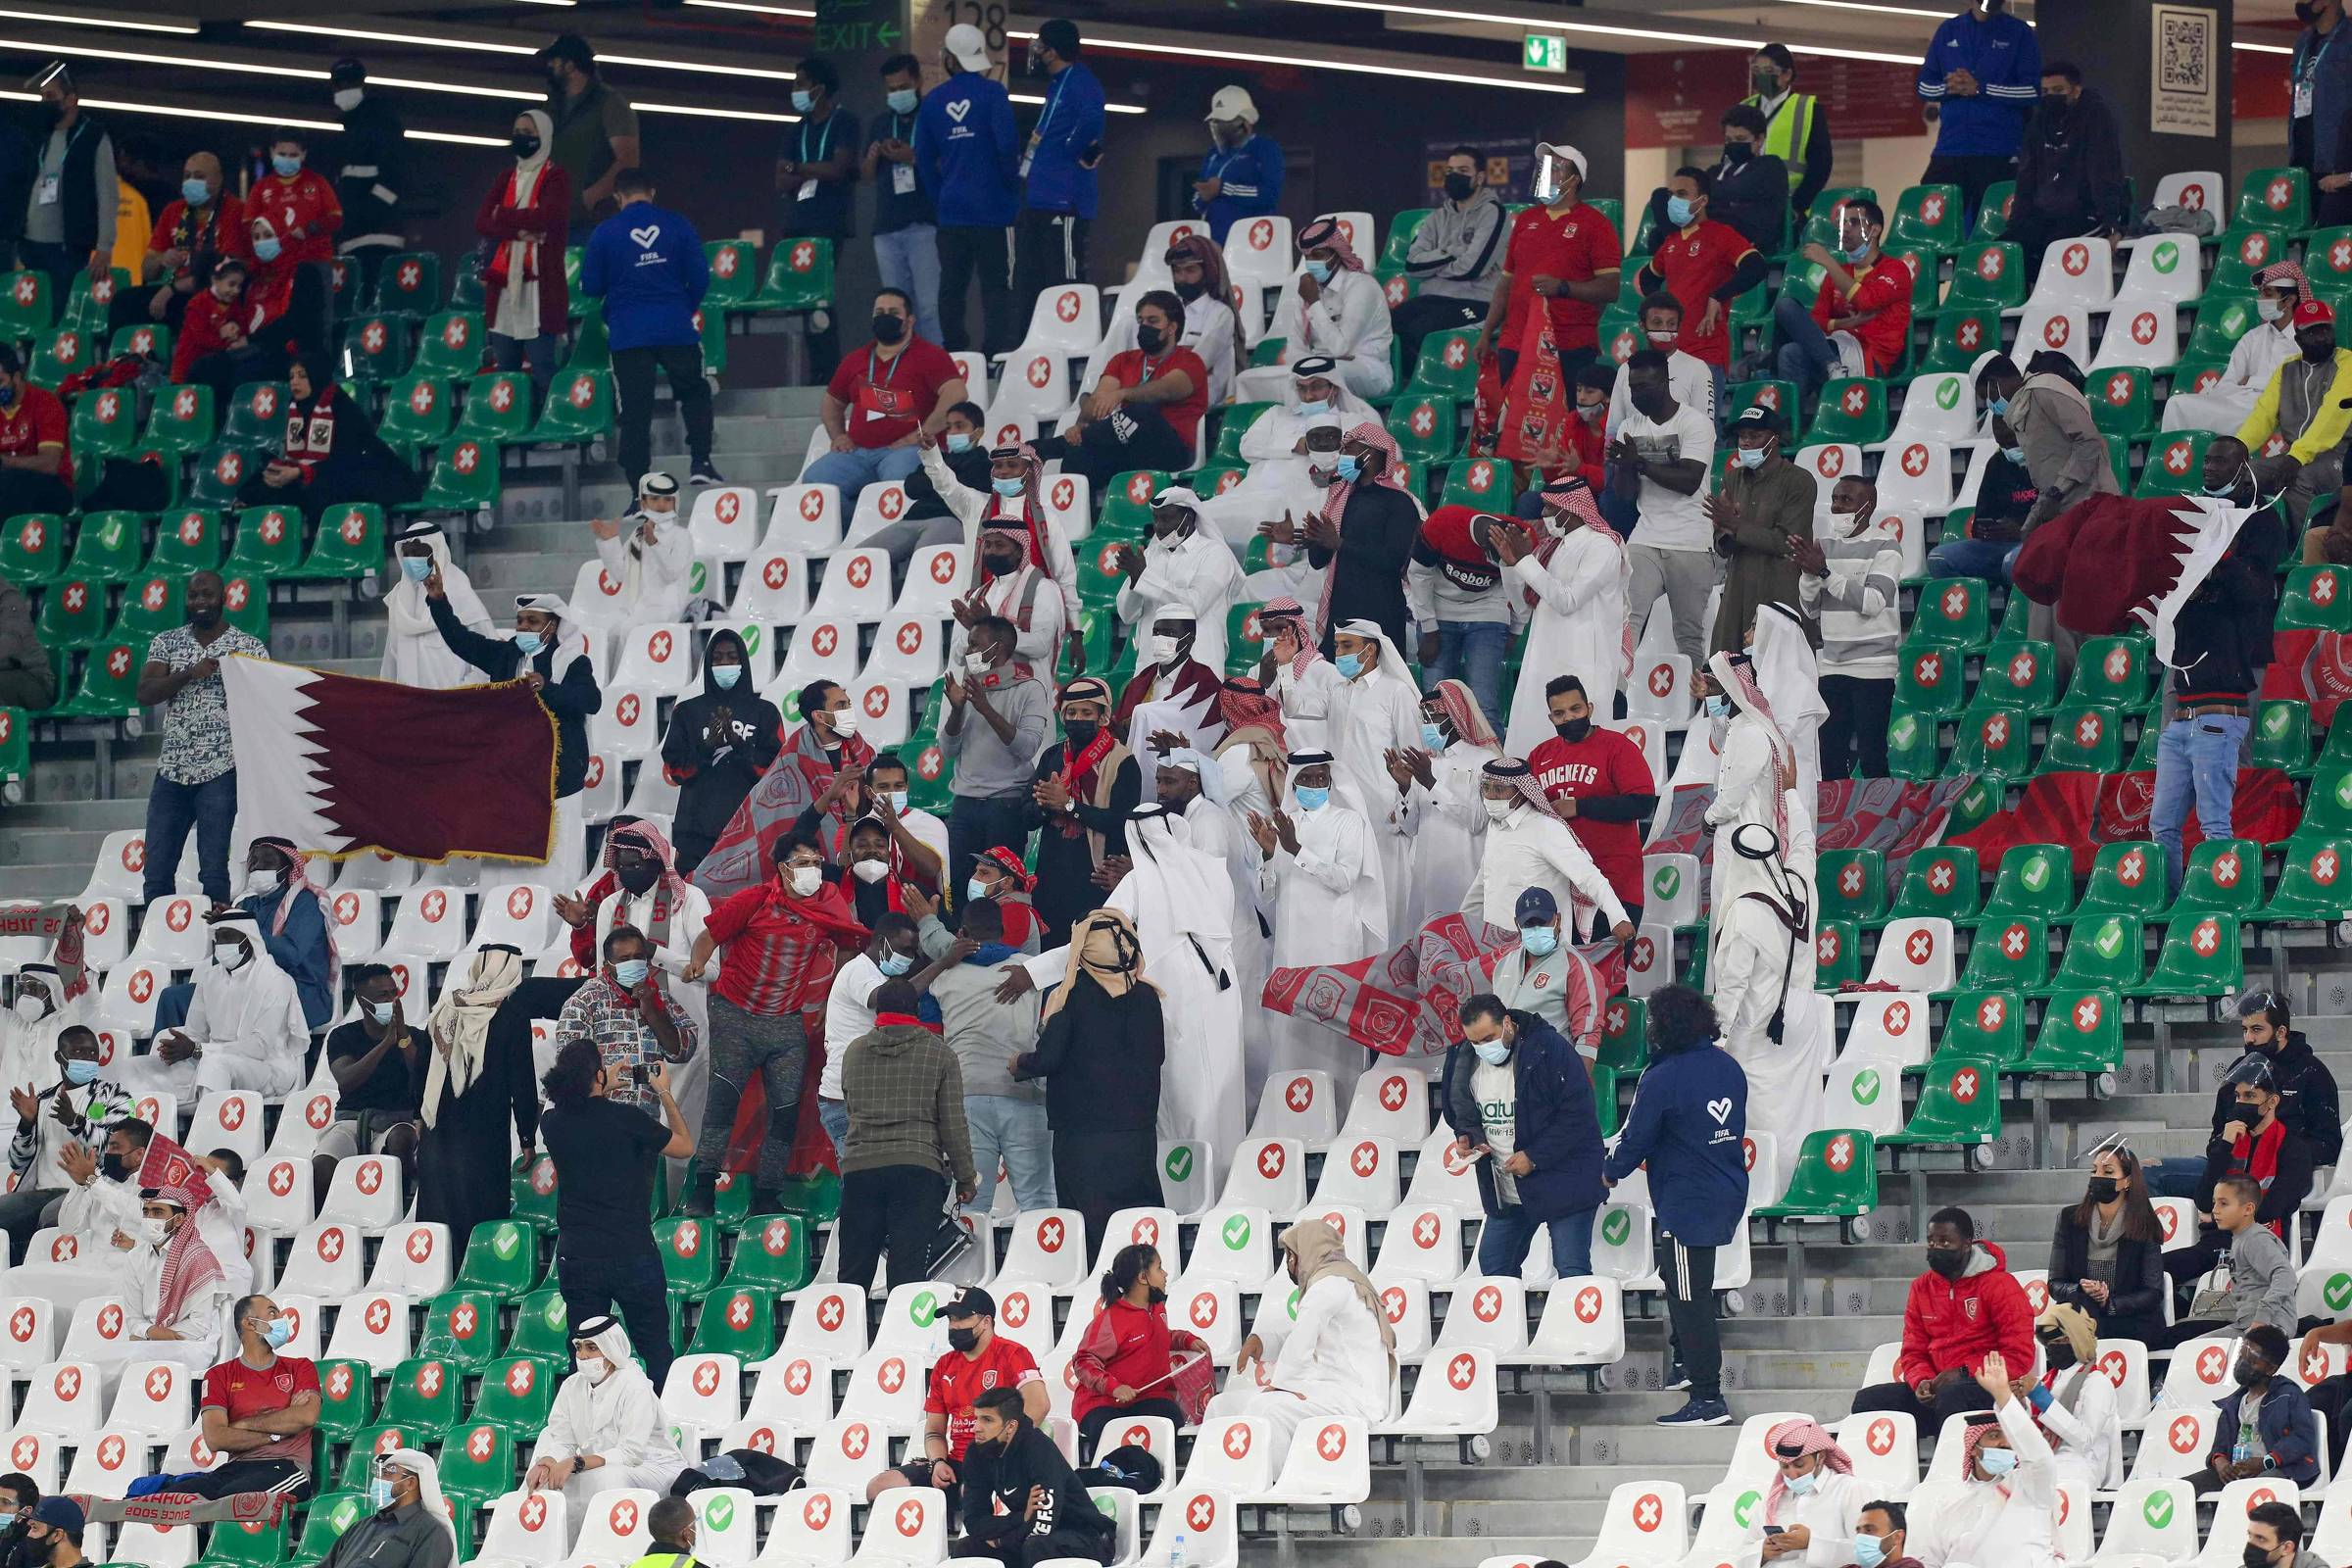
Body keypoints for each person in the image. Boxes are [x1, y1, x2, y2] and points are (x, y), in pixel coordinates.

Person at [678, 830, 862, 1215]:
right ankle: (703, 1190)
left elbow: (849, 942)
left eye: (816, 862)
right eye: (803, 863)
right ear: (783, 869)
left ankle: (767, 1195)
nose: (813, 870)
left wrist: (834, 991)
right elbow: (709, 936)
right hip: (735, 1016)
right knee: (722, 1103)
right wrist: (698, 962)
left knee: (786, 1111)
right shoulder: (755, 900)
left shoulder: (828, 903)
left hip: (785, 1024)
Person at [1605, 983, 1749, 1425]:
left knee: (1690, 1296)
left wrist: (1611, 1170)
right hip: (1726, 1190)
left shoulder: (1665, 1077)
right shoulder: (1728, 1067)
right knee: (1677, 1276)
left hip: (1688, 1201)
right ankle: (1686, 1361)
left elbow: (1639, 1136)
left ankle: (1708, 1398)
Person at [2149, 440, 2285, 894]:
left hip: (2241, 655)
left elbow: (2256, 590)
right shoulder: (2196, 515)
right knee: (2176, 748)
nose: (2207, 465)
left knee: (2231, 770)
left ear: (2244, 468)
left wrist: (2217, 557)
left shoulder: (2262, 519)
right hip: (2187, 658)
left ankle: (2234, 877)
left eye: (2219, 459)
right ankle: (2176, 893)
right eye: (2205, 459)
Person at [1010, 908, 1169, 1255]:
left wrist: (1020, 1063)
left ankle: (1102, 1301)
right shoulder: (1147, 997)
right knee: (1140, 1222)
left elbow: (1049, 1058)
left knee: (1091, 1229)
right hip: (1138, 1133)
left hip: (1083, 1136)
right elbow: (1156, 1055)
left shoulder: (1073, 996)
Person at [538, 1038, 693, 1393]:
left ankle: (588, 1428)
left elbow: (553, 1102)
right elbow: (684, 1147)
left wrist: (597, 1080)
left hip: (578, 1255)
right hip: (631, 1249)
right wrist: (665, 1093)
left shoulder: (554, 1126)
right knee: (654, 1348)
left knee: (585, 1354)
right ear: (597, 1074)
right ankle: (661, 1423)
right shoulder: (627, 1119)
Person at [423, 583, 603, 889]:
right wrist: (439, 601)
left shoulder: (572, 662)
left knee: (555, 868)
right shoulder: (506, 657)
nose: (523, 628)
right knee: (505, 871)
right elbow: (462, 641)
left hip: (558, 781)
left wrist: (546, 687)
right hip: (512, 780)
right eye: (520, 621)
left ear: (553, 625)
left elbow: (591, 701)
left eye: (532, 622)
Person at [1446, 991, 1605, 1278]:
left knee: (1572, 1269)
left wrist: (1535, 1156)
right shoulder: (1464, 1059)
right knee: (1494, 1268)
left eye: (1488, 1038)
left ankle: (1574, 1326)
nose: (1483, 1047)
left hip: (1565, 1180)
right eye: (1475, 1041)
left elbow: (1579, 1115)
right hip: (1506, 1190)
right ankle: (1511, 1325)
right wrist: (1468, 1138)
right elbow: (1460, 1110)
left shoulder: (1550, 1049)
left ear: (1507, 1023)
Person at [1252, 751, 1387, 1078]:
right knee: (1292, 1031)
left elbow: (1344, 879)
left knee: (1334, 1030)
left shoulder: (1349, 821)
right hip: (1292, 946)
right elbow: (1264, 896)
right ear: (1293, 783)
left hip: (1335, 945)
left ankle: (1343, 1113)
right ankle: (1290, 1115)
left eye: (1321, 778)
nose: (1314, 784)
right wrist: (1269, 853)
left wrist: (1296, 849)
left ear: (1331, 780)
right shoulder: (1283, 824)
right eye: (1306, 779)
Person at [580, 168, 717, 490]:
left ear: (618, 197)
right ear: (652, 191)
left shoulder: (604, 232)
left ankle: (639, 487)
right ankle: (701, 462)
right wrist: (683, 306)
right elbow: (700, 276)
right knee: (695, 392)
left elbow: (590, 285)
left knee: (634, 411)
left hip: (628, 333)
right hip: (675, 327)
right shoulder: (678, 224)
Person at [836, 977, 977, 1289]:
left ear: (879, 1010)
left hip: (860, 1170)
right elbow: (952, 1124)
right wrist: (965, 1179)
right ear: (916, 1010)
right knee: (906, 1274)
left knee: (852, 1273)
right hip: (916, 1170)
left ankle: (845, 1335)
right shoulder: (940, 1054)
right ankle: (901, 1337)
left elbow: (850, 1108)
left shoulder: (854, 1052)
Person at [1849, 1206, 2034, 1429]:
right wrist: (1922, 1381)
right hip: (1939, 1388)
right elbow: (1913, 1350)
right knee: (1868, 1401)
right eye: (1931, 1242)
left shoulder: (2000, 1286)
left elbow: (2018, 1356)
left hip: (1989, 1387)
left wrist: (1965, 1372)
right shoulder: (1921, 1287)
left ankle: (1951, 1462)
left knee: (1953, 1395)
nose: (1936, 1248)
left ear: (1967, 1244)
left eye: (1945, 1242)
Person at [416, 948, 541, 1264]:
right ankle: (477, 1278)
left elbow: (422, 1071)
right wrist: (527, 1138)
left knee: (440, 1210)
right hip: (482, 1135)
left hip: (438, 1134)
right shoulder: (510, 1016)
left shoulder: (447, 1007)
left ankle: (439, 1280)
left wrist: (420, 1119)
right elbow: (522, 1081)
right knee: (480, 1213)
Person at [868, 1289, 1046, 1504]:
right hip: (957, 1463)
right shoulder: (944, 1365)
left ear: (986, 1322)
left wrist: (1002, 1449)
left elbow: (1039, 1405)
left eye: (962, 1318)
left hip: (999, 1460)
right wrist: (938, 1463)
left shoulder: (1013, 1354)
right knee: (880, 1487)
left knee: (972, 1495)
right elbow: (934, 1429)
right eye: (951, 1319)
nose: (954, 1326)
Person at [1231, 1221, 1394, 1450]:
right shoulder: (1341, 1279)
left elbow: (1301, 1343)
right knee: (1226, 1406)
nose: (1289, 1264)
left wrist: (1281, 1384)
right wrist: (1263, 1341)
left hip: (1352, 1397)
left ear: (1305, 1252)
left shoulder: (1328, 1286)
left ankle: (1274, 1482)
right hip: (1335, 1390)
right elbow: (1308, 1334)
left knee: (1265, 1410)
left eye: (1290, 1255)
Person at [1270, 420, 1420, 655]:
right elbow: (1319, 561)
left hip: (1381, 614)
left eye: (1349, 448)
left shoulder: (1399, 502)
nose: (1343, 454)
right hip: (1341, 613)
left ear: (1370, 454)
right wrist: (1313, 539)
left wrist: (1339, 543)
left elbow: (1392, 561)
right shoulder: (1342, 497)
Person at [1505, 478, 1633, 754]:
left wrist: (1524, 561)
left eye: (1550, 509)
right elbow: (1522, 605)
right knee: (1532, 738)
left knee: (1585, 748)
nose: (1544, 515)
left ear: (1571, 509)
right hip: (1543, 657)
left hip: (1584, 659)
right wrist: (1509, 563)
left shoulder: (1602, 547)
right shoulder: (1554, 548)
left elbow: (1568, 601)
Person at [1475, 140, 1620, 382]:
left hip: (1569, 342)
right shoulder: (1525, 219)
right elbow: (1506, 283)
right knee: (1513, 418)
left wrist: (1563, 287)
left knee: (1566, 417)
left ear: (1574, 181)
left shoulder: (1596, 224)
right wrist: (1486, 333)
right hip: (1516, 340)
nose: (1545, 172)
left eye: (1554, 168)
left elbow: (1611, 287)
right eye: (1543, 166)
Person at [806, 287, 966, 504]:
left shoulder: (930, 355)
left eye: (893, 312)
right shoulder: (855, 359)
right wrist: (838, 436)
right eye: (879, 313)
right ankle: (853, 529)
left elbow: (956, 393)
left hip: (910, 450)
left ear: (910, 321)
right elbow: (832, 401)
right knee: (815, 481)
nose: (885, 317)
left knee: (896, 483)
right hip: (858, 453)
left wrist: (923, 433)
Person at [931, 441, 1079, 674]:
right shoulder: (976, 507)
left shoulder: (1046, 518)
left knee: (1025, 683)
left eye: (1012, 465)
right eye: (998, 466)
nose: (1004, 472)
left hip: (1029, 613)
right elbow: (945, 485)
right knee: (973, 683)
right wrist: (931, 453)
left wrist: (1077, 631)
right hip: (978, 604)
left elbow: (1064, 575)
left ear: (1029, 470)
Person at [127, 910, 308, 1099]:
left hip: (266, 1068)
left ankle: (210, 1127)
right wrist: (182, 1048)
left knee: (215, 1066)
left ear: (248, 940)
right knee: (133, 1069)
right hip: (208, 1058)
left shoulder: (275, 980)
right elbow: (195, 1034)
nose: (221, 945)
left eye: (228, 937)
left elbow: (260, 1047)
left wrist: (198, 1050)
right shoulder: (209, 978)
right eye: (218, 939)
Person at [1036, 292, 1209, 487]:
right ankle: (1087, 514)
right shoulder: (1123, 360)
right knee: (1078, 453)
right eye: (1141, 321)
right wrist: (1081, 425)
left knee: (1141, 411)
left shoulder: (1190, 361)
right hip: (1129, 448)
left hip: (1174, 450)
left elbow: (1166, 389)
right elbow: (1098, 400)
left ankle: (1050, 447)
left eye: (1153, 321)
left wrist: (1123, 393)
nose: (1145, 326)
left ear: (1172, 327)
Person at [523, 1313, 687, 1518]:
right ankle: (564, 1549)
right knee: (545, 1479)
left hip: (653, 1467)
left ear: (611, 1350)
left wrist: (576, 1463)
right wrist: (547, 1461)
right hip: (596, 1464)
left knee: (607, 1478)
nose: (582, 1355)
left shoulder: (635, 1386)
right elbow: (563, 1440)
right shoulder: (571, 1386)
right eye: (579, 1347)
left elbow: (630, 1454)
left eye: (591, 1348)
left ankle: (606, 1547)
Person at [917, 25, 1018, 357]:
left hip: (952, 210)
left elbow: (923, 159)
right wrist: (1008, 188)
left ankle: (956, 351)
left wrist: (940, 198)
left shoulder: (932, 102)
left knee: (951, 285)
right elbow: (1007, 147)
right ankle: (995, 352)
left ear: (949, 57)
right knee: (995, 285)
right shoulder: (993, 94)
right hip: (993, 208)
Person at [1903, 1355, 2059, 1568]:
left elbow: (2040, 1458)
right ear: (1974, 1448)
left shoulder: (2031, 1486)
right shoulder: (1949, 1500)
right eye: (1994, 1436)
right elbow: (1930, 1558)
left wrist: (2003, 1395)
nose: (2005, 1444)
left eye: (2009, 1437)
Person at [2173, 1057, 2317, 1281]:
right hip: (2217, 1242)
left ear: (2272, 1102)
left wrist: (2219, 1215)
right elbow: (2203, 1200)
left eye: (2249, 1096)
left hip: (2263, 1242)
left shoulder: (2294, 1149)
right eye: (2238, 1096)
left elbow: (2271, 1208)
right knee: (2155, 1269)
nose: (2240, 1103)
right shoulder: (2229, 1142)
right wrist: (2224, 1147)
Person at [1614, 351, 1716, 667]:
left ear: (1664, 381)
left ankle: (1697, 708)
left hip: (1691, 541)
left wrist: (1639, 463)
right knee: (1625, 621)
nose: (1636, 394)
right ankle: (1616, 696)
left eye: (1643, 386)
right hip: (1646, 536)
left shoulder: (1695, 423)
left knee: (1688, 634)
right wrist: (1625, 468)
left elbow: (1689, 480)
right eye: (1632, 387)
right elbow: (1624, 494)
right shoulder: (1629, 427)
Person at [1794, 479, 1900, 780]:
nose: (1838, 506)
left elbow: (1873, 601)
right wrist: (1809, 574)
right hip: (1831, 666)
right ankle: (1836, 825)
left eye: (1847, 500)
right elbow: (1811, 608)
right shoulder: (1824, 546)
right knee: (1830, 757)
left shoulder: (1886, 546)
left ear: (1868, 507)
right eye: (1835, 499)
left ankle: (1879, 825)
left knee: (1872, 756)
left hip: (1873, 668)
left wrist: (1825, 572)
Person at [1633, 167, 1765, 406]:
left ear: (1702, 200)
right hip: (1670, 354)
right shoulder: (1671, 242)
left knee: (1705, 430)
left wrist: (1718, 295)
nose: (1674, 200)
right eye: (1672, 194)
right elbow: (1647, 278)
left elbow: (1756, 267)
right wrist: (1659, 307)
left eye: (1682, 193)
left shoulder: (1721, 235)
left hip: (1707, 353)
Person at [939, 613, 1053, 890]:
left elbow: (1027, 748)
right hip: (964, 804)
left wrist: (985, 709)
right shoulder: (966, 689)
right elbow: (947, 748)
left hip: (1005, 805)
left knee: (1000, 889)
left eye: (975, 645)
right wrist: (956, 709)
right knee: (958, 886)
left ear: (998, 648)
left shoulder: (1030, 689)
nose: (968, 652)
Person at [1462, 757, 1632, 940]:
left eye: (1499, 789)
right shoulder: (1495, 827)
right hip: (1498, 946)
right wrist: (1461, 920)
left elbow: (1587, 876)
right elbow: (1484, 881)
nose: (1491, 796)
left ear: (1521, 791)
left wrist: (1617, 917)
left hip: (1542, 947)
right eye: (1486, 789)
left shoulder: (1545, 828)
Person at [662, 628, 785, 874]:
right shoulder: (687, 712)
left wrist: (742, 749)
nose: (724, 664)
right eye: (717, 659)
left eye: (731, 657)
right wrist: (705, 752)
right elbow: (674, 770)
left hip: (751, 828)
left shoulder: (765, 712)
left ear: (743, 662)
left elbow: (776, 770)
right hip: (695, 832)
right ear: (707, 664)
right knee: (694, 904)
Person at [0, 1024, 126, 1263]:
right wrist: (26, 1124)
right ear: (60, 1057)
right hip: (39, 1191)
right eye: (79, 1052)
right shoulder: (43, 1099)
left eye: (92, 1053)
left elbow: (116, 1151)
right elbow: (17, 1163)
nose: (88, 1059)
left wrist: (76, 1123)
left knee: (49, 1217)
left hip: (83, 1191)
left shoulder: (114, 1095)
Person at [1235, 218, 1395, 404]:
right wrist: (1307, 365)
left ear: (1335, 254)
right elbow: (1295, 347)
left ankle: (1299, 428)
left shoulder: (1361, 286)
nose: (1311, 262)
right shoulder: (1309, 288)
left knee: (1317, 376)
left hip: (1367, 369)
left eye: (1318, 255)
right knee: (1247, 379)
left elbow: (1340, 347)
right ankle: (1273, 431)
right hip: (1321, 364)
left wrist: (1314, 303)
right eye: (1307, 257)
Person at [237, 356, 418, 518]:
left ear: (316, 377)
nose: (294, 382)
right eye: (291, 377)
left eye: (302, 376)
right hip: (318, 474)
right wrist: (280, 471)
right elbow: (298, 458)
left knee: (319, 490)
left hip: (358, 472)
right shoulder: (297, 408)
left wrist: (302, 472)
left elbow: (349, 459)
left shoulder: (340, 406)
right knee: (261, 486)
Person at [954, 1385, 1114, 1567]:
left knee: (1036, 1546)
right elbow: (974, 1521)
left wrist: (1002, 1541)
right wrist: (1020, 1518)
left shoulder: (1038, 1448)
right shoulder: (977, 1453)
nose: (976, 1428)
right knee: (967, 1548)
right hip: (1028, 1535)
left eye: (987, 1420)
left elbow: (1044, 1523)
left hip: (1086, 1538)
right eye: (977, 1419)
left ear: (1011, 1426)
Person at [1915, 0, 2042, 226]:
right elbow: (1923, 87)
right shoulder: (1949, 30)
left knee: (1998, 227)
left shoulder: (2018, 32)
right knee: (1933, 225)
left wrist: (1980, 88)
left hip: (1999, 150)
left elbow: (2032, 91)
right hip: (1951, 148)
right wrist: (1950, 88)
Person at [1012, 21, 1103, 325]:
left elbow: (1092, 121)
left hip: (1064, 201)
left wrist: (1069, 150)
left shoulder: (1081, 81)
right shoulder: (1058, 84)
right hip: (1041, 198)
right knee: (1033, 281)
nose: (1036, 53)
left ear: (1051, 52)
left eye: (1040, 46)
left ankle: (1071, 348)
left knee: (1065, 281)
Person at [1069, 1244, 1203, 1453]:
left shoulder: (1158, 1307)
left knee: (1170, 1418)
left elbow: (1156, 1338)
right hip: (1102, 1402)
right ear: (1143, 1277)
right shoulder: (1110, 1320)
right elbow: (1083, 1361)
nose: (1165, 1274)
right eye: (1159, 1268)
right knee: (1108, 1431)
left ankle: (1155, 1477)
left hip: (1148, 1396)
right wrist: (1113, 1387)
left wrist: (1184, 1339)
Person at [815, 913, 928, 1161]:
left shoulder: (881, 975)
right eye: (903, 949)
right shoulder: (858, 971)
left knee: (865, 1181)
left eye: (912, 952)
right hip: (845, 1101)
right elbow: (889, 999)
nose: (908, 958)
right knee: (862, 1181)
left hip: (862, 1098)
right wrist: (944, 963)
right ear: (880, 941)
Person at [477, 108, 569, 407]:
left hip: (540, 288)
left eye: (528, 134)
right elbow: (482, 221)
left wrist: (503, 216)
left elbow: (548, 217)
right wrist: (519, 231)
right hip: (503, 287)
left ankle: (552, 432)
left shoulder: (556, 177)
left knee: (543, 366)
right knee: (506, 370)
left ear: (543, 137)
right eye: (517, 133)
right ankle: (515, 433)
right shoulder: (505, 177)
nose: (521, 138)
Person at [190, 1294, 320, 1501]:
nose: (281, 1320)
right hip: (235, 1469)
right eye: (272, 1313)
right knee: (167, 1498)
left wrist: (240, 1425)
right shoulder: (218, 1375)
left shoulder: (301, 1367)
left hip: (285, 1467)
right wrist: (276, 1433)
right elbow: (215, 1438)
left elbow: (305, 1417)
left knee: (229, 1499)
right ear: (250, 1323)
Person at [1775, 200, 1909, 399]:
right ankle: (1791, 425)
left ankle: (1832, 367)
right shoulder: (1838, 273)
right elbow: (1816, 321)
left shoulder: (1895, 269)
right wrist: (1847, 322)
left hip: (1871, 357)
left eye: (1853, 223)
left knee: (1791, 347)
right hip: (1834, 349)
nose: (1844, 229)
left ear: (1874, 230)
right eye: (1842, 223)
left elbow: (1866, 301)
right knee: (1788, 339)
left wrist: (1828, 261)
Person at [776, 57, 858, 374]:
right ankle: (813, 368)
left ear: (819, 89)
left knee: (821, 296)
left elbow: (838, 168)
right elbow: (779, 180)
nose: (794, 90)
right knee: (802, 298)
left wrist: (796, 167)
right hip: (797, 225)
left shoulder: (844, 123)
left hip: (828, 223)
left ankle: (827, 370)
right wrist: (812, 170)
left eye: (800, 84)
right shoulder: (796, 131)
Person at [1406, 507, 1522, 732]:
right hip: (1441, 610)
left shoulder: (1518, 537)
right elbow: (1419, 574)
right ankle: (1437, 764)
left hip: (1488, 611)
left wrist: (1515, 632)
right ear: (1484, 547)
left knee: (1484, 703)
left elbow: (1521, 591)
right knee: (1436, 702)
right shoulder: (1442, 526)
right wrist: (1429, 630)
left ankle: (1494, 765)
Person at [2003, 64, 2128, 272]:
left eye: (2058, 90)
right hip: (2045, 214)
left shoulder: (2096, 118)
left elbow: (2104, 171)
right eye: (2045, 92)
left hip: (2085, 214)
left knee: (2053, 248)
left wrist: (2112, 223)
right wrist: (2017, 224)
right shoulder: (2038, 123)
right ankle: (2019, 303)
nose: (2051, 96)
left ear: (2076, 91)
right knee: (2008, 249)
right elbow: (2026, 177)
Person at [1707, 419, 1814, 662]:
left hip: (1779, 586)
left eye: (1754, 435)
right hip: (1738, 586)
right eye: (1742, 436)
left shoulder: (1799, 480)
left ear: (1774, 439)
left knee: (1779, 672)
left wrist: (1735, 525)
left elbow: (1787, 542)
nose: (1745, 442)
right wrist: (1723, 529)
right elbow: (1723, 544)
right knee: (1728, 671)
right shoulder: (1732, 478)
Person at [1394, 146, 1507, 373]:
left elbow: (1473, 268)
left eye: (1463, 170)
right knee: (1389, 325)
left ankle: (1428, 388)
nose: (1454, 176)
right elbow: (1412, 264)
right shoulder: (1437, 217)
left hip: (1477, 302)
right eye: (1449, 171)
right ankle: (1404, 392)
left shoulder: (1493, 213)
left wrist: (1434, 266)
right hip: (1433, 298)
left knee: (1421, 330)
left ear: (1480, 177)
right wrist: (1453, 252)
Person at [314, 962, 422, 1200]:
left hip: (395, 1121)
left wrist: (402, 1037)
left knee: (402, 1139)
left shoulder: (416, 1036)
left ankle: (398, 1211)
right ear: (364, 1002)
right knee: (322, 1165)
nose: (393, 1000)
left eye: (394, 993)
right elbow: (346, 1079)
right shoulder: (343, 1036)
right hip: (351, 1121)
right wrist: (385, 1044)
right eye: (383, 995)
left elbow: (421, 1076)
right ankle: (322, 1225)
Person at [2044, 1140, 2167, 1347]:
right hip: (2083, 1313)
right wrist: (2080, 1289)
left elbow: (2152, 1293)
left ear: (2127, 1181)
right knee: (2081, 1308)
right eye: (2094, 1171)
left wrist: (2108, 1302)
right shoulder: (2069, 1219)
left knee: (2085, 1318)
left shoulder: (2145, 1223)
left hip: (2128, 1318)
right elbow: (2055, 1284)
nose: (2098, 1178)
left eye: (2108, 1172)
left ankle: (2085, 1370)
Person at [2245, 299, 2352, 529]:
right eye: (2313, 331)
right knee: (2242, 475)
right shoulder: (2287, 369)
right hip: (2296, 456)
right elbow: (2262, 417)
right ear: (2298, 338)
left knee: (2299, 478)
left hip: (2340, 457)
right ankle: (2250, 546)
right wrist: (2238, 449)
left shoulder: (2348, 363)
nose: (2321, 336)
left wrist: (2297, 457)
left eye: (2325, 329)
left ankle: (2304, 553)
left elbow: (2332, 417)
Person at [2169, 264, 2309, 436]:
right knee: (2177, 404)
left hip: (2279, 409)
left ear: (2289, 300)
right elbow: (2228, 384)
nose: (2261, 299)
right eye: (2260, 293)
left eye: (2268, 293)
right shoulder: (2252, 338)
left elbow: (2302, 385)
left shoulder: (2306, 338)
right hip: (2240, 407)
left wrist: (2251, 382)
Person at [1114, 492, 1246, 675]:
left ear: (1189, 517)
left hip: (1198, 663)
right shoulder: (1150, 555)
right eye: (1156, 519)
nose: (1159, 527)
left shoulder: (1214, 554)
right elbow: (1127, 615)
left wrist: (1143, 577)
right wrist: (1135, 581)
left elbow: (1194, 605)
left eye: (1167, 519)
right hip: (1151, 665)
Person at [2161, 1173, 2298, 1348]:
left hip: (2271, 1326)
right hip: (2245, 1324)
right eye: (2214, 1202)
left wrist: (2262, 1318)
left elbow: (2286, 1276)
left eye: (2223, 1203)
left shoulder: (2256, 1239)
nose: (2215, 1210)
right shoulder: (2241, 1239)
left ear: (2248, 1209)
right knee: (2190, 1348)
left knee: (2193, 1349)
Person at [20, 64, 114, 302]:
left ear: (71, 100)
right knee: (30, 308)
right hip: (30, 243)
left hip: (67, 246)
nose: (45, 102)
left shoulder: (93, 137)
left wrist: (104, 246)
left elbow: (107, 194)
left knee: (59, 306)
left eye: (51, 96)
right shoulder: (41, 135)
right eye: (43, 97)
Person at [868, 54, 941, 349]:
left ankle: (940, 367)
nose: (897, 94)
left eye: (902, 87)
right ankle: (902, 366)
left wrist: (911, 156)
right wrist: (874, 156)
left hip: (923, 224)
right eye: (891, 89)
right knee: (894, 309)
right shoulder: (881, 123)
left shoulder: (932, 118)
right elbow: (865, 175)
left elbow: (944, 164)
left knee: (928, 307)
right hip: (886, 227)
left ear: (918, 82)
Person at [246, 127, 339, 356]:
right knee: (275, 316)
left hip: (314, 264)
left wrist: (310, 229)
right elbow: (248, 223)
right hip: (275, 267)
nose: (287, 159)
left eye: (293, 154)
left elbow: (336, 218)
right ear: (271, 152)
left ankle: (317, 368)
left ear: (303, 155)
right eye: (282, 153)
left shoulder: (317, 184)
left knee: (319, 321)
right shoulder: (262, 188)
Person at [132, 151, 246, 334]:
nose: (191, 181)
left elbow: (223, 274)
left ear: (218, 180)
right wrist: (162, 259)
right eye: (187, 176)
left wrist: (171, 289)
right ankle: (125, 361)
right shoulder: (173, 211)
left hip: (213, 293)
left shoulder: (236, 211)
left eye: (199, 176)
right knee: (124, 302)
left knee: (185, 308)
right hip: (176, 290)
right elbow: (146, 271)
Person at [539, 34, 639, 239]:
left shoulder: (609, 103)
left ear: (570, 66)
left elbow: (628, 160)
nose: (549, 66)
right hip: (555, 220)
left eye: (554, 61)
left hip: (595, 222)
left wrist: (592, 196)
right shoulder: (553, 107)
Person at [2200, 1324, 2319, 1494]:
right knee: (2186, 1489)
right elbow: (2219, 1446)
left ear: (2272, 1369)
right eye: (2241, 1357)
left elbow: (2302, 1438)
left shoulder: (2289, 1395)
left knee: (2261, 1486)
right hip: (2238, 1472)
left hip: (2280, 1469)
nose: (2242, 1364)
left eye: (2252, 1361)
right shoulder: (2233, 1402)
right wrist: (2221, 1463)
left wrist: (2265, 1462)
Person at [1925, 415, 2038, 582]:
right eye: (1997, 426)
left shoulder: (2046, 460)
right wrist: (1984, 529)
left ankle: (2017, 603)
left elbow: (2058, 516)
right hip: (1999, 545)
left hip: (2034, 541)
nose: (2002, 432)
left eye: (2006, 426)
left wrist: (2022, 529)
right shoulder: (1996, 463)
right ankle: (1980, 600)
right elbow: (1983, 515)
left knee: (2014, 562)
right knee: (1939, 559)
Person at [380, 519, 488, 690]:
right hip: (411, 704)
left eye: (417, 552)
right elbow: (390, 661)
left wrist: (465, 690)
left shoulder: (458, 590)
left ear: (435, 551)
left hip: (453, 703)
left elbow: (490, 655)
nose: (410, 559)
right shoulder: (399, 599)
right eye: (406, 554)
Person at [1671, 104, 1790, 255]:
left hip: (1750, 235)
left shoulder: (1770, 166)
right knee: (1663, 198)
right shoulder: (1716, 171)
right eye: (1728, 139)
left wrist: (1707, 200)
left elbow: (1739, 188)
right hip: (1714, 229)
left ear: (1759, 139)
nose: (1733, 145)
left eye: (1740, 139)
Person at [2031, 1301, 2121, 1491]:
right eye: (2048, 1344)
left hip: (2081, 1464)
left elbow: (2085, 1439)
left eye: (2057, 1343)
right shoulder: (2046, 1381)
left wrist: (2044, 1401)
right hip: (2042, 1458)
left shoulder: (2097, 1383)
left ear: (2075, 1340)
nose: (2051, 1350)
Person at [1757, 1418, 1868, 1568]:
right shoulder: (1773, 1498)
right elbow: (1744, 1550)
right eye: (1784, 1466)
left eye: (1799, 1465)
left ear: (1820, 1457)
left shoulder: (1849, 1489)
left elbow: (1867, 1553)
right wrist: (1762, 1553)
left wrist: (1812, 1543)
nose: (1792, 1474)